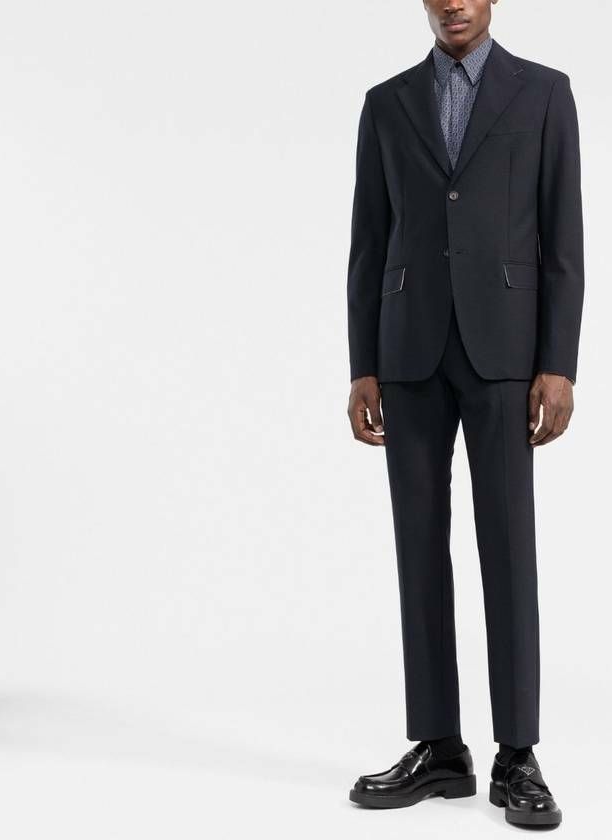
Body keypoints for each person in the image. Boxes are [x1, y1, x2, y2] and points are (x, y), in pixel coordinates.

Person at [345, 0, 583, 829]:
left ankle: (517, 754)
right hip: (407, 351)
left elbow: (562, 238)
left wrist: (558, 363)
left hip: (505, 354)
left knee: (508, 547)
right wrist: (363, 365)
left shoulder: (544, 93)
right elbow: (368, 240)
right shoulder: (387, 103)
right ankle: (440, 747)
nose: (452, 3)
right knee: (418, 549)